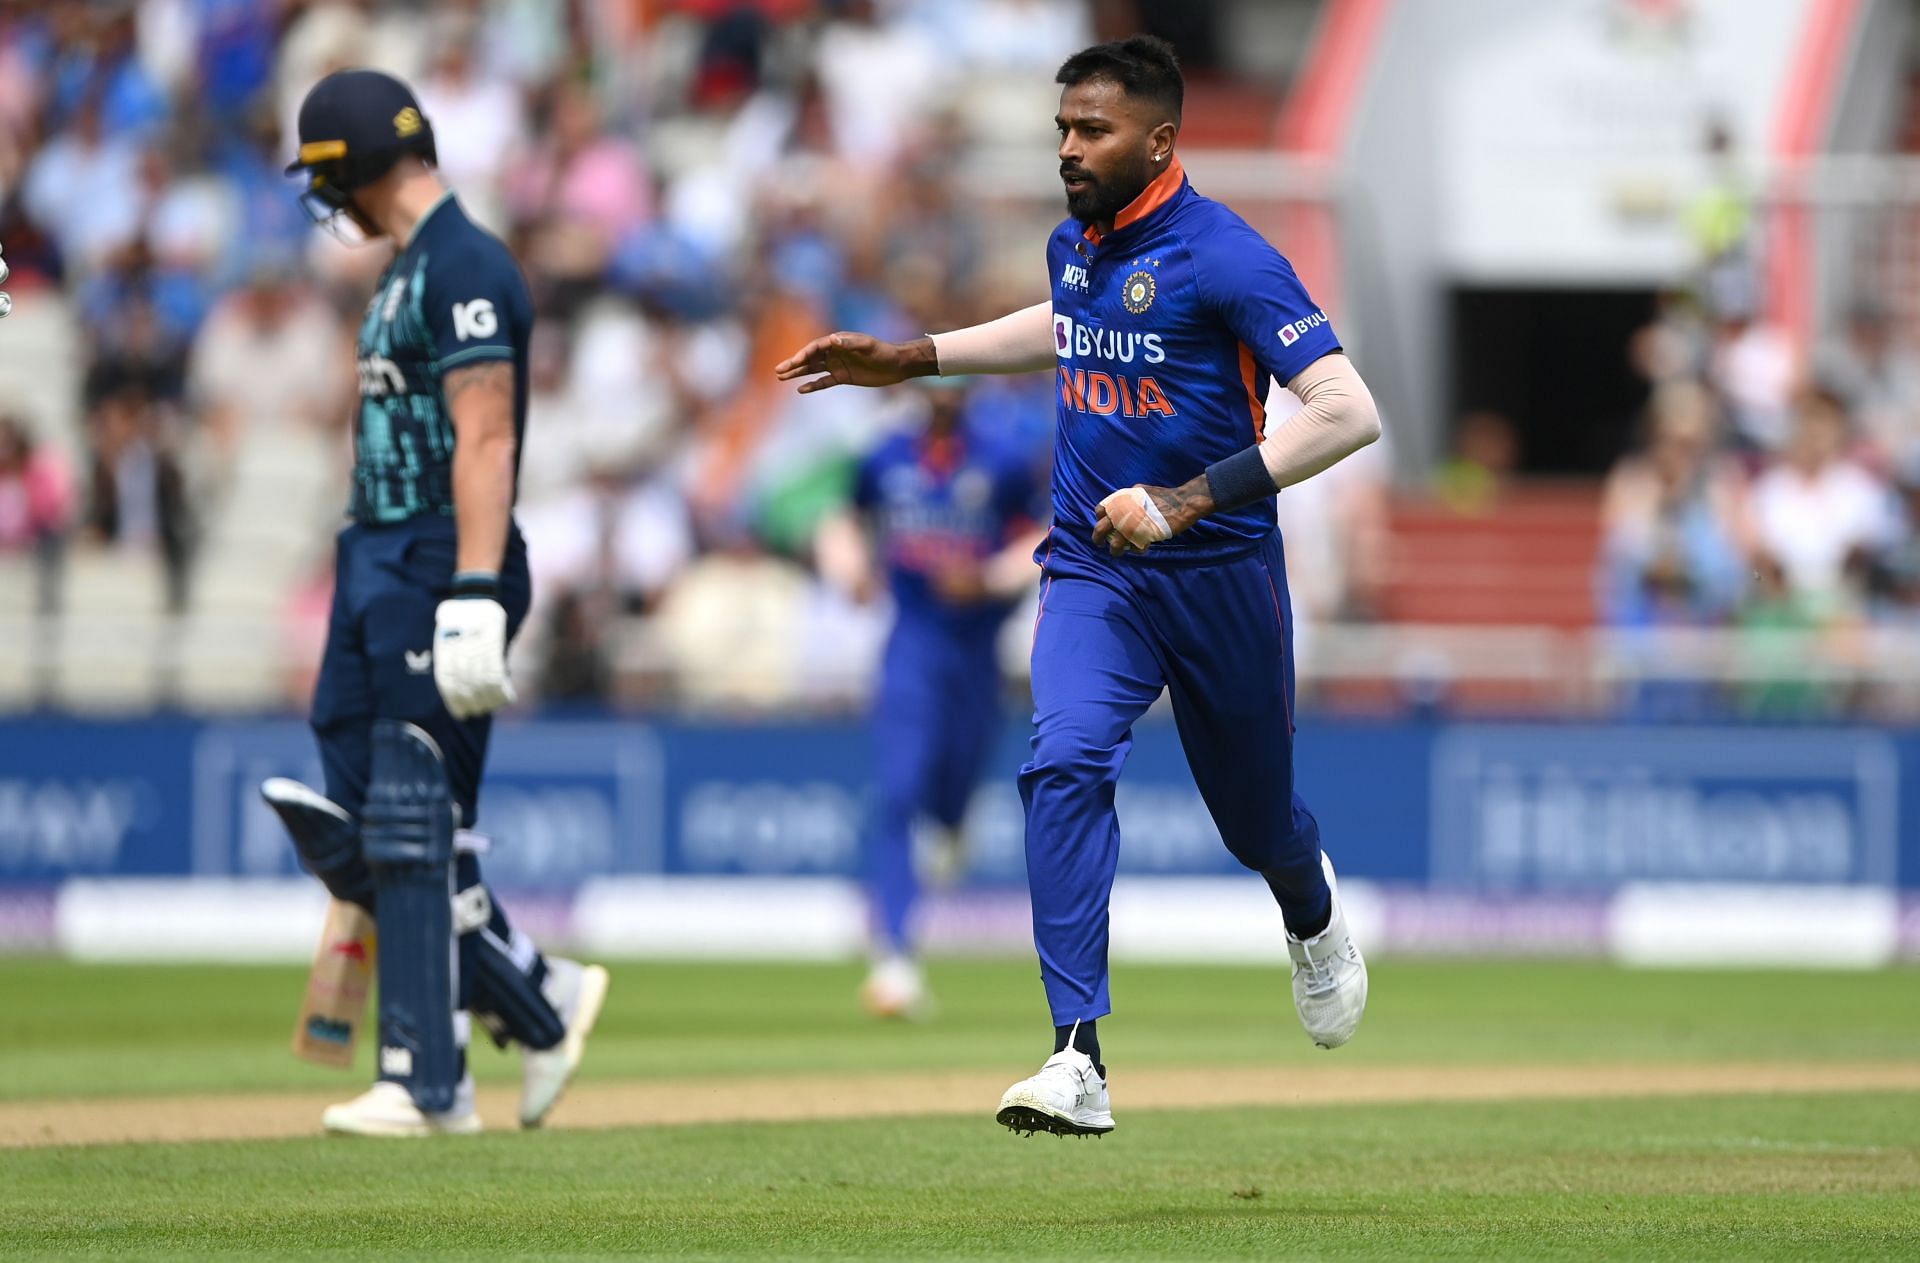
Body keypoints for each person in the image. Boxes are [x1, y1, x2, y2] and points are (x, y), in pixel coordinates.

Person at [777, 36, 1380, 1138]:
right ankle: (1076, 1055)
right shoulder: (1076, 245)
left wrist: (1189, 500)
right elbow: (1067, 330)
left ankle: (1311, 911)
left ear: (1159, 140)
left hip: (1216, 571)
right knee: (1060, 759)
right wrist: (913, 359)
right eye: (1062, 127)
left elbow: (1349, 411)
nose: (1067, 147)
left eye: (1090, 129)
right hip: (1094, 564)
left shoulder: (1230, 257)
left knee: (1258, 821)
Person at [271, 69, 608, 1138]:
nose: (330, 202)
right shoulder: (407, 269)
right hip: (374, 554)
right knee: (358, 806)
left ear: (356, 166)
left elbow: (489, 433)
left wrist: (470, 590)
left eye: (329, 177)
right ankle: (536, 993)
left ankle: (429, 1079)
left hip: (432, 559)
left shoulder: (464, 261)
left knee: (417, 815)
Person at [814, 378, 1048, 1018]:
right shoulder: (885, 456)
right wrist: (851, 571)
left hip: (976, 653)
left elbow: (1044, 536)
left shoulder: (1001, 458)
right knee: (898, 792)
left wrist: (989, 579)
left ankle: (949, 825)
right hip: (911, 644)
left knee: (951, 794)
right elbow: (841, 517)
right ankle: (892, 955)